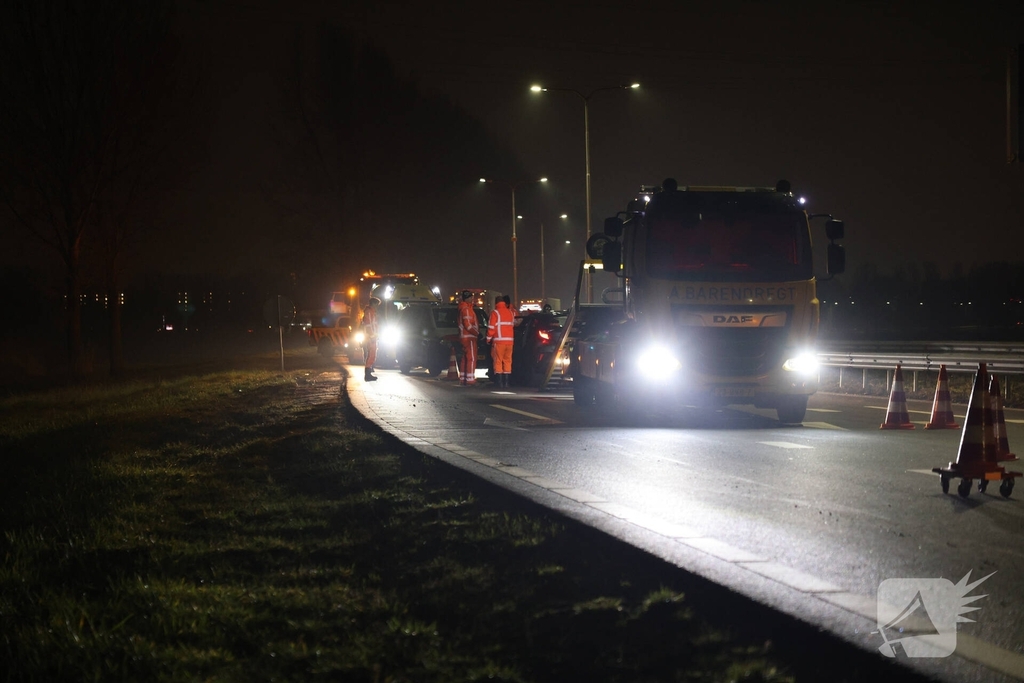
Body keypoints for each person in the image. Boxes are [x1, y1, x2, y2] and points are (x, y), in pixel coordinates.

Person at [487, 294, 514, 388]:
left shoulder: (495, 313)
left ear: (496, 303)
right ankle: (507, 382)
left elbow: (491, 328)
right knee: (508, 361)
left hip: (499, 341)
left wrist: (488, 338)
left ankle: (499, 382)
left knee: (498, 361)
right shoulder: (510, 313)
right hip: (510, 342)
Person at [457, 290, 479, 385]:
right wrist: (477, 333)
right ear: (468, 298)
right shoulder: (467, 309)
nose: (472, 299)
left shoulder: (463, 308)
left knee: (465, 358)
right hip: (469, 337)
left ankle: (463, 378)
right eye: (471, 297)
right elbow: (468, 325)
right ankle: (470, 379)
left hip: (464, 337)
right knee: (472, 358)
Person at [361, 296, 380, 381]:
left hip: (372, 337)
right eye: (376, 304)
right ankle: (367, 375)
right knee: (371, 355)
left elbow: (373, 325)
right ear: (373, 304)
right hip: (370, 337)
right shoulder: (369, 312)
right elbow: (368, 325)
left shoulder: (372, 312)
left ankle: (368, 373)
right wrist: (372, 336)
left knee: (372, 355)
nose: (377, 306)